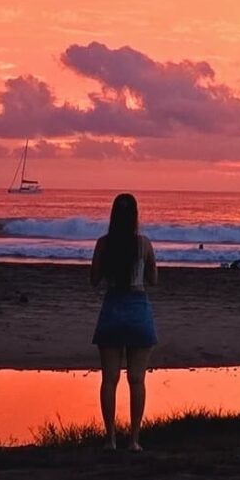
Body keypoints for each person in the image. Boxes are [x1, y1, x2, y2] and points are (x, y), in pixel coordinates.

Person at [90, 193, 158, 452]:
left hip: (113, 307)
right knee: (137, 379)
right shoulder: (144, 244)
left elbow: (94, 279)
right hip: (138, 307)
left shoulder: (103, 244)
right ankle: (134, 439)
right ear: (135, 216)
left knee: (109, 379)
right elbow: (153, 279)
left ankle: (110, 439)